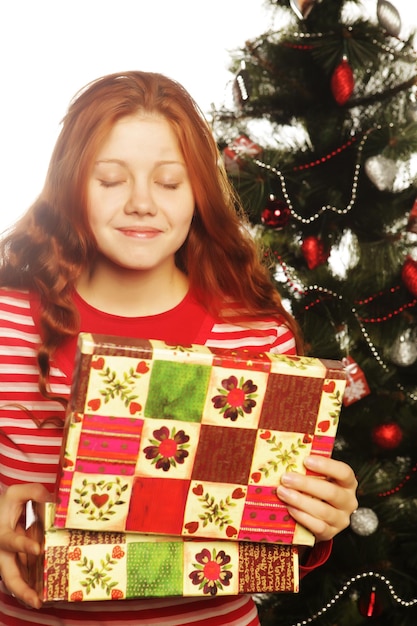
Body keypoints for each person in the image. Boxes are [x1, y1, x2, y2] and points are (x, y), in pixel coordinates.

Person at [0, 70, 358, 626]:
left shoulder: (260, 337)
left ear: (198, 193)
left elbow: (269, 540)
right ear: (72, 185)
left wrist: (316, 521)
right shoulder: (9, 326)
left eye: (169, 182)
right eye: (111, 179)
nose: (142, 203)